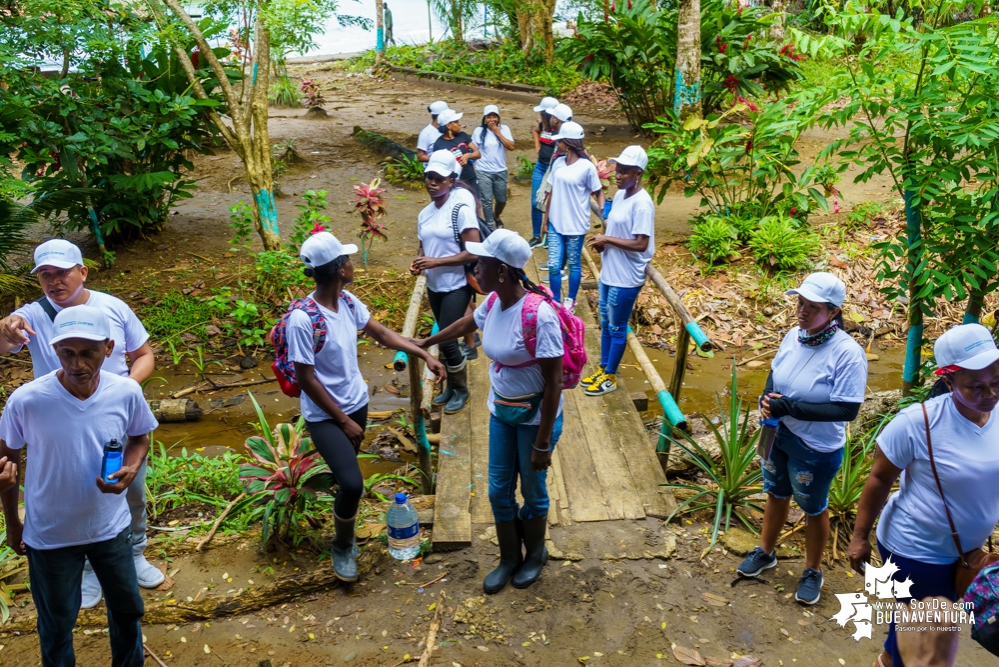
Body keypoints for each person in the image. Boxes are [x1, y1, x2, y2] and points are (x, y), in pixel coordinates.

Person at [0, 239, 161, 608]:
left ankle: (135, 551)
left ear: (82, 271)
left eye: (62, 272)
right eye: (45, 275)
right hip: (60, 418)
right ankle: (89, 570)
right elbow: (5, 339)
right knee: (77, 489)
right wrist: (7, 328)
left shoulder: (112, 307)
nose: (54, 282)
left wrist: (120, 395)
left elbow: (144, 355)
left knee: (129, 487)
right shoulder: (34, 315)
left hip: (115, 414)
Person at [415, 230, 564, 593]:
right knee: (499, 491)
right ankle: (510, 557)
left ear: (502, 271)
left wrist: (542, 442)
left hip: (535, 418)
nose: (475, 268)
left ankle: (536, 554)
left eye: (481, 263)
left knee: (532, 490)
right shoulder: (495, 301)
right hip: (501, 411)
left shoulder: (539, 316)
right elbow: (469, 323)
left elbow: (555, 383)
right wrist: (426, 342)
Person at [291, 232, 444, 582]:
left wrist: (421, 352)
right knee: (353, 482)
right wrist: (343, 421)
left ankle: (344, 523)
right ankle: (342, 545)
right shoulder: (304, 320)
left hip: (356, 402)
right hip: (326, 415)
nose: (352, 264)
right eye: (347, 260)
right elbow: (306, 378)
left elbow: (382, 334)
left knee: (348, 482)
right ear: (336, 269)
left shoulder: (347, 301)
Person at [848, 323, 999, 667]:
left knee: (915, 623)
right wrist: (859, 537)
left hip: (969, 549)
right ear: (948, 382)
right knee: (928, 648)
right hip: (918, 550)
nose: (989, 393)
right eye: (975, 386)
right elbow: (879, 479)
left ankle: (887, 659)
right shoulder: (918, 424)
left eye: (996, 381)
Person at [737, 272, 867, 605]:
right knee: (776, 493)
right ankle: (766, 552)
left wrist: (791, 406)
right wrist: (768, 398)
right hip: (778, 434)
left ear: (834, 311)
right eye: (800, 303)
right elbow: (775, 371)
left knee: (813, 507)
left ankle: (812, 570)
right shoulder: (794, 335)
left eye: (813, 307)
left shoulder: (847, 353)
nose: (802, 311)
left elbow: (847, 409)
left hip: (815, 447)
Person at [410, 150, 482, 414]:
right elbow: (423, 246)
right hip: (434, 285)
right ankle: (451, 387)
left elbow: (474, 251)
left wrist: (436, 262)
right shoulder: (424, 214)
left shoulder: (460, 209)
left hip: (456, 284)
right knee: (444, 339)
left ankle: (461, 390)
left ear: (451, 181)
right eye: (429, 177)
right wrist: (418, 261)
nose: (432, 182)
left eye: (438, 179)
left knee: (448, 340)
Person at [583, 146, 654, 397]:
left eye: (624, 172)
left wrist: (609, 240)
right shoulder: (622, 196)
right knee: (605, 323)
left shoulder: (642, 204)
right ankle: (604, 368)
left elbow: (641, 243)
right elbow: (615, 231)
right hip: (610, 272)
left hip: (626, 277)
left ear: (638, 173)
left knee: (617, 327)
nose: (618, 175)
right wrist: (604, 242)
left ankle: (611, 376)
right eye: (617, 170)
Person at [542, 121, 604, 313]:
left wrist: (603, 212)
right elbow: (551, 192)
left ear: (568, 143)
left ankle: (570, 299)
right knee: (553, 265)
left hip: (576, 224)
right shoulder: (558, 163)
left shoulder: (586, 167)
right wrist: (545, 219)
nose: (557, 143)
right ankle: (555, 301)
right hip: (555, 222)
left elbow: (598, 191)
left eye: (559, 140)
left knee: (573, 264)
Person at [472, 104, 514, 230]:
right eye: (488, 116)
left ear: (498, 118)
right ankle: (490, 226)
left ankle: (497, 216)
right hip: (483, 170)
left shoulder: (504, 129)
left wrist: (498, 133)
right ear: (484, 119)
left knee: (502, 199)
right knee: (487, 200)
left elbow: (511, 147)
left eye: (494, 116)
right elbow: (473, 149)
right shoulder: (478, 131)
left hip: (500, 170)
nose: (491, 119)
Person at [528, 96, 559, 248]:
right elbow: (535, 131)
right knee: (535, 201)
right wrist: (537, 148)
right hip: (540, 166)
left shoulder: (559, 127)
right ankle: (536, 236)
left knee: (550, 204)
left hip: (552, 170)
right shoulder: (543, 125)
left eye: (542, 113)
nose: (540, 116)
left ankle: (548, 235)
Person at [433, 108, 481, 196]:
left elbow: (478, 154)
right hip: (454, 183)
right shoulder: (439, 144)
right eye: (456, 122)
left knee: (476, 206)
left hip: (471, 179)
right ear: (448, 125)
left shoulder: (463, 136)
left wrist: (468, 156)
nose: (460, 124)